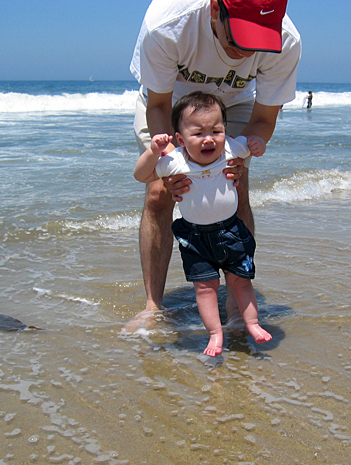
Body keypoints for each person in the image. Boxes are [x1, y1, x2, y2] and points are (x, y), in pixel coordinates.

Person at [128, 0, 301, 329]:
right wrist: (170, 160)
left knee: (236, 187)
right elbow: (159, 104)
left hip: (233, 105)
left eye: (256, 42)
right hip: (170, 103)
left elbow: (264, 118)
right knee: (158, 194)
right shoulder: (167, 23)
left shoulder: (287, 40)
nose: (243, 53)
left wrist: (237, 157)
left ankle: (237, 303)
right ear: (214, 10)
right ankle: (153, 305)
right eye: (237, 39)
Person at [134, 92, 272, 356]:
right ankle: (215, 333)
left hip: (232, 231)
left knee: (242, 281)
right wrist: (153, 152)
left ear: (225, 132)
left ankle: (252, 323)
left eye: (216, 131)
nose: (209, 139)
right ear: (180, 140)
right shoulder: (175, 161)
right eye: (198, 134)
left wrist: (257, 145)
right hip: (196, 239)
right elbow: (141, 175)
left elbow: (259, 143)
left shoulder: (232, 147)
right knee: (206, 289)